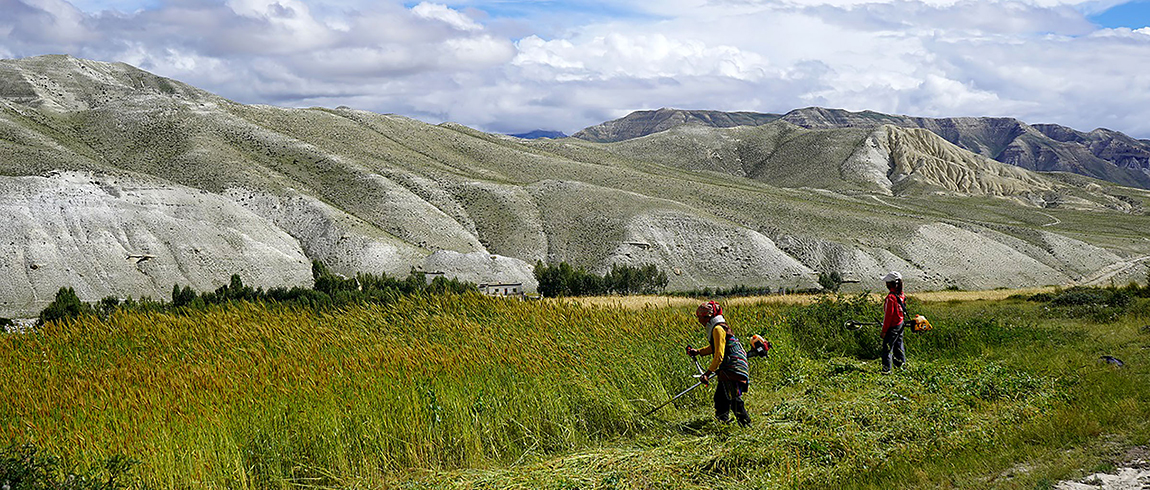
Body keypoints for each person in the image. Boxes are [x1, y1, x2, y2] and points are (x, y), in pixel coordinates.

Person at [686, 301, 752, 427]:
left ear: (708, 317)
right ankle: (722, 423)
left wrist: (707, 373)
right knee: (721, 397)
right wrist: (698, 352)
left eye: (701, 318)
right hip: (730, 364)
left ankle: (746, 424)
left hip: (733, 365)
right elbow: (714, 347)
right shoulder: (717, 327)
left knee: (733, 397)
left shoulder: (717, 329)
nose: (700, 321)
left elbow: (719, 355)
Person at [880, 271, 907, 374]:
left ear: (890, 284)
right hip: (900, 324)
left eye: (887, 282)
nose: (885, 284)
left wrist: (884, 331)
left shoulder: (890, 298)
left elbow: (888, 317)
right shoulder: (901, 295)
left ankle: (886, 370)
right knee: (898, 347)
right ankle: (901, 367)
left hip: (893, 326)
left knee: (887, 348)